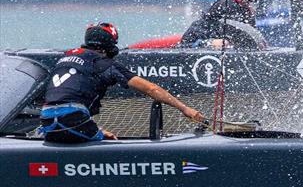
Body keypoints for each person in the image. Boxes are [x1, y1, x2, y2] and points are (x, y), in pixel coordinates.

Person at [40, 23, 205, 143]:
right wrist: (185, 108)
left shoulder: (64, 58)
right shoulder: (105, 63)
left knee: (100, 134)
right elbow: (151, 89)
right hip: (72, 120)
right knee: (108, 142)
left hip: (47, 122)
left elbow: (59, 98)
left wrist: (97, 131)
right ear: (110, 48)